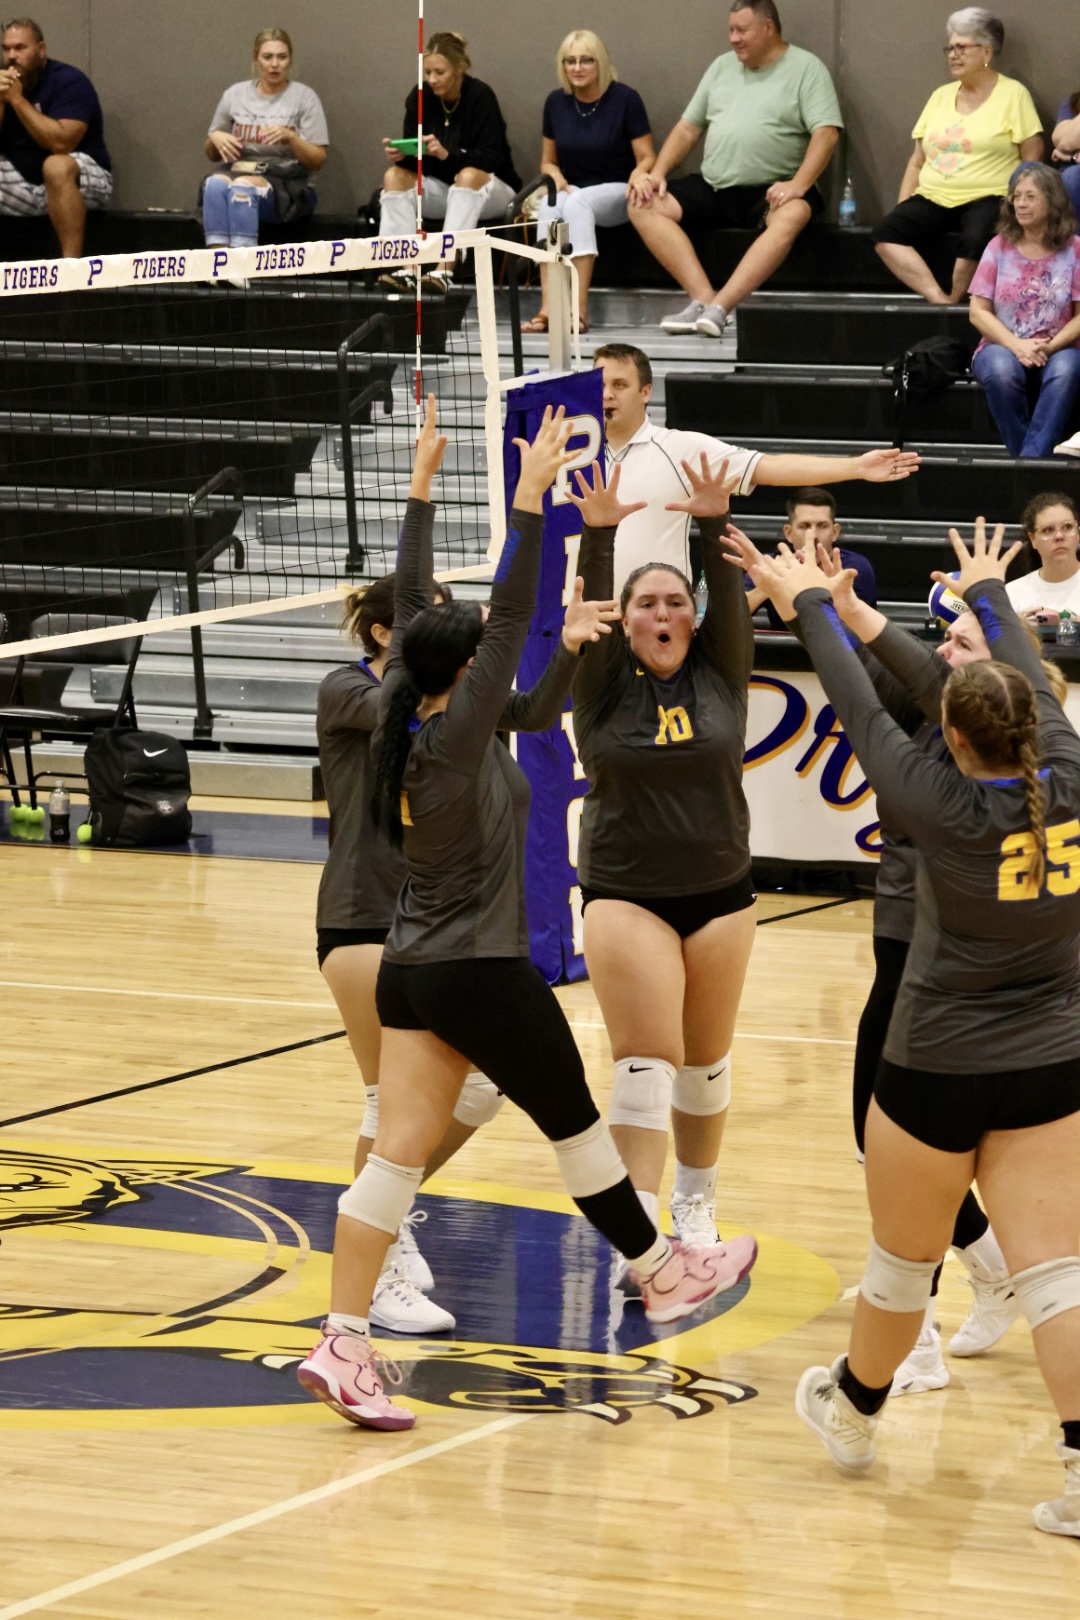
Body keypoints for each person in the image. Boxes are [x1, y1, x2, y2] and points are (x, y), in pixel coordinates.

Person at [297, 401, 756, 1430]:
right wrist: (530, 505)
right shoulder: (459, 729)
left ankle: (343, 1339)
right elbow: (507, 612)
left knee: (397, 1159)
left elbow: (451, 631)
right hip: (478, 969)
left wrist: (420, 493)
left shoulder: (421, 721)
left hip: (417, 964)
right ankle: (660, 1269)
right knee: (580, 1130)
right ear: (466, 667)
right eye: (481, 649)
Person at [731, 518, 1080, 1537]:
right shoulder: (1066, 761)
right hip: (1053, 1057)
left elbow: (845, 690)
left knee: (898, 1266)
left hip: (935, 1062)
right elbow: (1019, 676)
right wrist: (988, 597)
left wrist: (806, 597)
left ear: (954, 735)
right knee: (1058, 1274)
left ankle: (854, 1407)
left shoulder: (930, 798)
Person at [851, 596, 1068, 1394]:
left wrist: (816, 607)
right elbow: (915, 674)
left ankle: (910, 1348)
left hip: (941, 970)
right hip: (906, 938)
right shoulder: (962, 715)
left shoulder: (968, 757)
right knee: (887, 1147)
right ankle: (988, 1270)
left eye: (961, 641)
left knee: (904, 1160)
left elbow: (876, 690)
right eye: (940, 638)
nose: (942, 650)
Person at [561, 452, 759, 1266]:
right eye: (647, 604)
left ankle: (695, 1206)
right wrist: (600, 533)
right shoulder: (603, 683)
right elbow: (599, 600)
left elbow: (728, 606)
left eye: (677, 600)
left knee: (705, 1070)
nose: (663, 612)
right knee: (646, 1068)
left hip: (721, 893)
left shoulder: (721, 672)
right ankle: (638, 1245)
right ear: (625, 619)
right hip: (626, 894)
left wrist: (712, 522)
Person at [593, 344, 920, 586]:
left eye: (619, 385)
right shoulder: (570, 453)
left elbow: (770, 467)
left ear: (646, 391)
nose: (607, 394)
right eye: (600, 385)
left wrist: (855, 468)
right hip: (579, 621)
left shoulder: (679, 448)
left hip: (655, 622)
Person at [626, 0, 842, 339]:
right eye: (730, 30)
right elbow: (687, 129)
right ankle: (702, 301)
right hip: (715, 186)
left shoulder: (806, 68)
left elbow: (826, 133)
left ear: (769, 28)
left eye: (742, 30)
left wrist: (798, 184)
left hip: (771, 190)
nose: (734, 39)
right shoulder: (721, 68)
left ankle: (721, 307)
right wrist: (659, 173)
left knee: (793, 213)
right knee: (643, 203)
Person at [872, 9, 1042, 306]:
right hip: (934, 195)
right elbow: (917, 160)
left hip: (989, 196)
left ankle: (954, 297)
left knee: (975, 238)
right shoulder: (940, 96)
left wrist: (1019, 200)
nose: (953, 55)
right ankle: (937, 296)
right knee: (886, 233)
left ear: (987, 51)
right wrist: (903, 207)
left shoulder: (1013, 94)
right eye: (950, 48)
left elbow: (1033, 154)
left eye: (962, 47)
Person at [521, 30, 654, 335]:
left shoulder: (625, 99)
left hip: (619, 189)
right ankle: (549, 308)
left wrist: (639, 172)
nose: (577, 68)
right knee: (550, 205)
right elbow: (548, 160)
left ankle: (578, 311)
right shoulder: (556, 102)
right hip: (575, 187)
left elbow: (647, 156)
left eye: (586, 60)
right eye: (570, 61)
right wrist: (552, 173)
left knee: (578, 202)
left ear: (601, 63)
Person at [378, 32, 520, 294]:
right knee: (393, 176)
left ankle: (444, 270)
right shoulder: (419, 97)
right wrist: (405, 155)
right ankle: (405, 269)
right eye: (427, 72)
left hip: (492, 191)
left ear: (459, 68)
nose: (431, 79)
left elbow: (493, 158)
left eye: (439, 72)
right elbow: (419, 161)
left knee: (467, 174)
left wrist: (448, 155)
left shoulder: (480, 95)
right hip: (444, 190)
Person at [968, 164, 1080, 459]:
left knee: (1067, 370)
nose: (1020, 203)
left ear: (1052, 201)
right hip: (1002, 344)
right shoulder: (998, 246)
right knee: (1001, 370)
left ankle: (1027, 464)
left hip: (1059, 346)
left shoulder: (1075, 249)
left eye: (1030, 196)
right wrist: (1017, 345)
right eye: (1016, 196)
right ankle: (1033, 462)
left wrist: (1049, 346)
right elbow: (978, 312)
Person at [202, 28, 328, 250]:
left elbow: (318, 159)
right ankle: (218, 261)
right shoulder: (235, 95)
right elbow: (212, 154)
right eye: (267, 57)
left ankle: (243, 263)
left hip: (286, 181)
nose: (274, 64)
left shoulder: (304, 98)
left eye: (282, 57)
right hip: (237, 169)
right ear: (256, 59)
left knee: (242, 187)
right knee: (214, 185)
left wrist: (291, 138)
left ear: (290, 59)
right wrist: (216, 137)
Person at [0, 16, 111, 258]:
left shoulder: (68, 81)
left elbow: (62, 143)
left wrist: (17, 100)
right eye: (6, 48)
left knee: (56, 166)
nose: (11, 56)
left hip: (78, 178)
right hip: (21, 182)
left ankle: (70, 270)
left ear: (41, 50)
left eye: (20, 48)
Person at [746, 488, 878, 629]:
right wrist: (769, 585)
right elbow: (731, 617)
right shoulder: (772, 565)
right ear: (789, 533)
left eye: (822, 526)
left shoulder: (854, 568)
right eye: (804, 526)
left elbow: (842, 634)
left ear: (834, 532)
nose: (813, 535)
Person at [1004, 490, 1080, 620]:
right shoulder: (1012, 593)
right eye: (1048, 530)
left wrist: (1064, 620)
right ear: (1033, 539)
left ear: (1078, 532)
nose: (1059, 536)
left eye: (1067, 527)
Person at [1051, 83, 1080, 217]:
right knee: (1026, 171)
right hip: (1065, 167)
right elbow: (1063, 142)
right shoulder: (1073, 101)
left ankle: (1073, 238)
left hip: (1072, 172)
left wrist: (1071, 156)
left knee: (1072, 177)